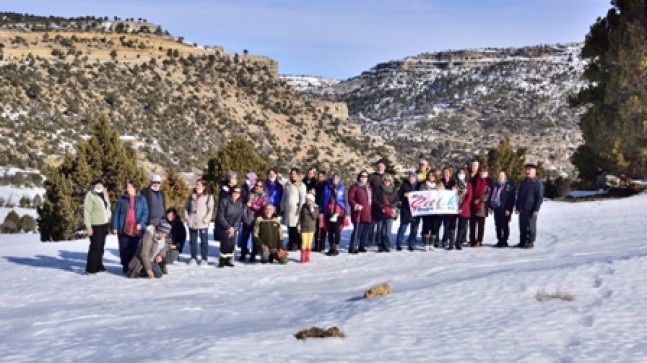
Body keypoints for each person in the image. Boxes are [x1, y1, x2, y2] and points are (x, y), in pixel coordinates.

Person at [111, 180, 149, 273]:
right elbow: (116, 213)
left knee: (134, 248)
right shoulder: (122, 199)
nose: (128, 189)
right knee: (124, 248)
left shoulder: (142, 199)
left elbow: (145, 212)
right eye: (127, 187)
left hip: (136, 227)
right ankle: (125, 266)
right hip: (123, 227)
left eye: (130, 187)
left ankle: (132, 267)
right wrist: (115, 226)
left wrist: (141, 223)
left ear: (135, 188)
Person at [84, 177, 112, 274]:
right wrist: (88, 226)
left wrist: (109, 218)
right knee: (95, 246)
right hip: (95, 224)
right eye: (97, 184)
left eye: (100, 183)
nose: (99, 185)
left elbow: (108, 207)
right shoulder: (90, 195)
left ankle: (99, 265)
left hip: (104, 223)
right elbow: (87, 211)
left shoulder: (104, 193)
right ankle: (91, 268)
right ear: (94, 185)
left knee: (101, 246)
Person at [185, 179, 214, 266]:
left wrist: (206, 219)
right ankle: (193, 257)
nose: (197, 186)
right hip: (192, 222)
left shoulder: (208, 196)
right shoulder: (191, 196)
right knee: (193, 241)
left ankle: (204, 258)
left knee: (204, 242)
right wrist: (187, 218)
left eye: (199, 185)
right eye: (196, 184)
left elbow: (210, 210)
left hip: (202, 222)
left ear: (204, 186)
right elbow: (186, 207)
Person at [515, 163, 544, 249]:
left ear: (534, 171)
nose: (527, 171)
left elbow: (539, 197)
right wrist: (517, 207)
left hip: (531, 209)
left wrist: (536, 209)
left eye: (529, 170)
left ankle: (530, 242)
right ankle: (522, 241)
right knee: (522, 226)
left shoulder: (538, 183)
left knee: (531, 227)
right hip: (522, 208)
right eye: (526, 170)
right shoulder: (523, 182)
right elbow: (519, 195)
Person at [239, 180, 269, 262]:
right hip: (247, 217)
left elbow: (262, 207)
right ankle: (243, 252)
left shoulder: (264, 196)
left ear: (263, 187)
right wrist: (245, 205)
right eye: (257, 185)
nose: (258, 187)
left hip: (257, 217)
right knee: (244, 236)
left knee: (254, 237)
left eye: (260, 186)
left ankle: (253, 254)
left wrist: (252, 205)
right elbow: (244, 201)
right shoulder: (250, 193)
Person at [215, 186, 245, 267]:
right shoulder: (224, 201)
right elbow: (220, 216)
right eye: (235, 192)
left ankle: (228, 260)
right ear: (231, 192)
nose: (236, 194)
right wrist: (228, 227)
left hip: (233, 227)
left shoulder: (240, 204)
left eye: (238, 193)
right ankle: (222, 261)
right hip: (223, 226)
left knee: (231, 244)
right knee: (226, 243)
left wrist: (234, 228)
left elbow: (239, 217)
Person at [281, 167, 306, 251]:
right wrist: (282, 205)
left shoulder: (301, 185)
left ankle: (295, 243)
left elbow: (303, 198)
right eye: (292, 174)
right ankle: (291, 242)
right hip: (287, 209)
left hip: (295, 209)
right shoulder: (287, 184)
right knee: (289, 227)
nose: (293, 176)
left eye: (295, 174)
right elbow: (284, 196)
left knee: (295, 227)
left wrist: (300, 208)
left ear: (298, 175)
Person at [372, 173, 399, 252]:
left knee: (387, 230)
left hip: (390, 212)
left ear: (391, 181)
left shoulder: (394, 190)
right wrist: (382, 207)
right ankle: (380, 245)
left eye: (389, 180)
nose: (387, 181)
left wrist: (390, 207)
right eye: (385, 180)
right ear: (383, 180)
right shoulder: (378, 189)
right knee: (380, 229)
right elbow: (375, 200)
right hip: (380, 212)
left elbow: (397, 200)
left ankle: (386, 245)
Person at [347, 170, 372, 254]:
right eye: (362, 176)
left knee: (365, 232)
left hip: (368, 213)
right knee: (358, 231)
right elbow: (350, 198)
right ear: (359, 177)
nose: (364, 178)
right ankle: (352, 247)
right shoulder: (355, 187)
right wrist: (356, 205)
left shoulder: (369, 188)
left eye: (365, 177)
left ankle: (361, 246)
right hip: (359, 213)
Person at [322, 172, 347, 256]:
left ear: (339, 180)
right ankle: (331, 247)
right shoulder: (327, 186)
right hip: (329, 211)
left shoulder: (342, 187)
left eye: (336, 178)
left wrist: (346, 211)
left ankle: (336, 247)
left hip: (339, 211)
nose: (335, 180)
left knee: (337, 230)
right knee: (330, 230)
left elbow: (344, 199)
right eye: (333, 178)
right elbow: (324, 198)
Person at [490, 171, 516, 248]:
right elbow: (492, 196)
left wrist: (509, 209)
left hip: (505, 209)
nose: (500, 177)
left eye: (502, 175)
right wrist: (491, 207)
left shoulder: (509, 186)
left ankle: (505, 241)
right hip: (497, 208)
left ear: (505, 176)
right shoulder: (495, 185)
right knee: (497, 225)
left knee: (504, 225)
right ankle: (499, 240)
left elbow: (512, 198)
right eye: (499, 175)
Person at [419, 170, 443, 251]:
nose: (431, 176)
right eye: (429, 175)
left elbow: (444, 195)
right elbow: (419, 195)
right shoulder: (423, 184)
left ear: (435, 176)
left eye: (433, 175)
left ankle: (432, 244)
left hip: (437, 210)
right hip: (426, 209)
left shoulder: (440, 184)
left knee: (435, 227)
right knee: (426, 226)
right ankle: (426, 244)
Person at [396, 171, 419, 251]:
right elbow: (398, 196)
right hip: (406, 209)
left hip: (417, 210)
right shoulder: (404, 185)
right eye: (410, 177)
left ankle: (411, 243)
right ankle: (399, 243)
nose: (411, 178)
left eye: (413, 177)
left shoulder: (419, 186)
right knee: (403, 227)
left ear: (416, 178)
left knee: (414, 228)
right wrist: (404, 195)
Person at [469, 165, 491, 247]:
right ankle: (472, 240)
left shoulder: (488, 181)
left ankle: (479, 240)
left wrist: (480, 199)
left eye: (484, 171)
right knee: (472, 225)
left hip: (482, 206)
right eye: (481, 171)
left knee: (481, 225)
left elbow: (488, 194)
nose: (482, 173)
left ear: (487, 172)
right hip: (473, 205)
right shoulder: (475, 179)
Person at [368, 159, 387, 246]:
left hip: (383, 203)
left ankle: (378, 239)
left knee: (380, 223)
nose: (380, 168)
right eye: (378, 166)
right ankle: (369, 239)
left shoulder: (387, 177)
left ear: (385, 167)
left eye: (382, 166)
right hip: (373, 202)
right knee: (372, 223)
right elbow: (367, 187)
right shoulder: (372, 176)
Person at [454, 167, 472, 250]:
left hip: (464, 209)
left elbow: (469, 197)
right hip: (453, 207)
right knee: (452, 225)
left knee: (461, 227)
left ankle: (458, 242)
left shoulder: (468, 185)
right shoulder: (454, 184)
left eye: (463, 172)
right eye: (459, 172)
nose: (461, 174)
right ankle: (450, 241)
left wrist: (462, 207)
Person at [440, 167, 457, 250]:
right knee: (443, 224)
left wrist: (455, 190)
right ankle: (442, 240)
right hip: (441, 207)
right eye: (444, 172)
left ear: (450, 174)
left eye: (447, 172)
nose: (445, 174)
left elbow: (457, 193)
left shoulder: (453, 183)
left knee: (449, 225)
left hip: (450, 207)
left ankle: (448, 240)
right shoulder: (440, 182)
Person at [299, 194, 319, 263]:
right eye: (306, 200)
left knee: (309, 243)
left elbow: (315, 217)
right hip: (304, 227)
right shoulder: (303, 206)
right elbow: (300, 216)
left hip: (311, 228)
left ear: (312, 200)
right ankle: (302, 256)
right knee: (304, 242)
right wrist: (298, 224)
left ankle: (307, 256)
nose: (308, 201)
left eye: (309, 200)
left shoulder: (315, 207)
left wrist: (312, 209)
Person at [313, 171, 328, 252]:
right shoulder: (316, 185)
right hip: (316, 207)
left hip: (324, 208)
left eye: (322, 177)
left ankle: (322, 246)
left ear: (324, 177)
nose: (320, 178)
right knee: (316, 227)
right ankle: (317, 245)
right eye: (319, 177)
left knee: (323, 228)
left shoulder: (326, 185)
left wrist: (322, 208)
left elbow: (325, 198)